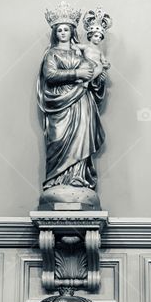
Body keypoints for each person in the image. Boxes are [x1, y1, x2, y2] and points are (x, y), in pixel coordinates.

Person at [37, 15, 105, 195]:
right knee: (58, 137)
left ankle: (78, 178)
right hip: (59, 103)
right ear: (54, 33)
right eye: (59, 30)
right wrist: (77, 73)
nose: (62, 33)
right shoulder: (51, 53)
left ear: (72, 31)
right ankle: (57, 180)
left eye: (66, 29)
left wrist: (98, 76)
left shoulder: (79, 52)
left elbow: (92, 75)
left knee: (81, 137)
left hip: (82, 101)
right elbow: (50, 75)